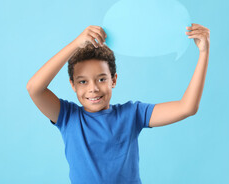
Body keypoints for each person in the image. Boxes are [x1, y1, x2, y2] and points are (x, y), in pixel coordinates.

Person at [26, 24, 210, 183]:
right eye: (83, 81)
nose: (93, 89)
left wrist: (203, 52)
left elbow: (187, 107)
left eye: (101, 79)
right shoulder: (67, 116)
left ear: (113, 80)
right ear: (72, 85)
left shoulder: (133, 113)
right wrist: (76, 44)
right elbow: (34, 88)